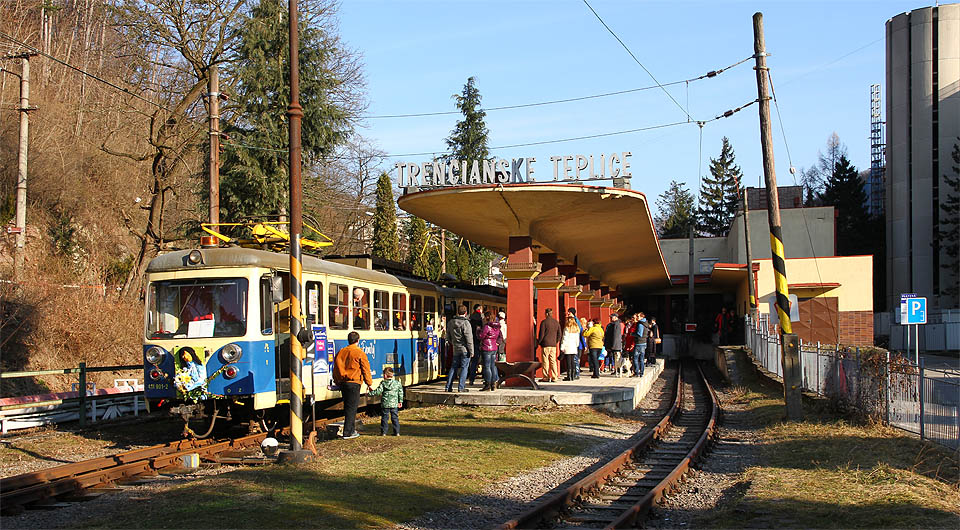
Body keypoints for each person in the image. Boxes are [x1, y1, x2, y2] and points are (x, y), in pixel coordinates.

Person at [333, 331, 372, 439]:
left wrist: (337, 381)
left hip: (343, 383)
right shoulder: (359, 352)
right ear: (358, 340)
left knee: (348, 407)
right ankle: (348, 432)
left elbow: (336, 368)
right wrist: (369, 383)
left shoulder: (342, 352)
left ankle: (350, 430)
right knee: (352, 408)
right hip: (354, 382)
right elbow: (365, 368)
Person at [444, 305, 474, 393]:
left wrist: (453, 343)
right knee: (464, 367)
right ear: (466, 313)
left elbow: (448, 336)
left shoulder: (451, 322)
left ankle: (448, 387)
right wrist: (471, 351)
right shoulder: (466, 323)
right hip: (465, 349)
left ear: (458, 312)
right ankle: (461, 387)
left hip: (455, 348)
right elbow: (469, 338)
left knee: (453, 367)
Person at [369, 366, 403, 436]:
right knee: (395, 418)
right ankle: (397, 432)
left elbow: (378, 391)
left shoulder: (383, 383)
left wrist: (370, 393)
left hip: (385, 404)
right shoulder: (397, 383)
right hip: (394, 404)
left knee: (384, 418)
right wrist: (400, 401)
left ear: (385, 375)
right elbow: (400, 392)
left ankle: (384, 432)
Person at [477, 311, 501, 391]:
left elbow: (481, 336)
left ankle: (487, 384)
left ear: (487, 317)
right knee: (493, 366)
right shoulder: (497, 326)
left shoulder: (487, 326)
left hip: (486, 347)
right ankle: (494, 384)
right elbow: (499, 336)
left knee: (487, 366)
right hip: (494, 347)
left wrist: (478, 331)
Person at [537, 308, 562, 382]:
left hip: (545, 344)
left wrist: (539, 342)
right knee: (553, 361)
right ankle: (555, 376)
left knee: (545, 361)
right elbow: (559, 334)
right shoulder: (556, 322)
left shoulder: (544, 322)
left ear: (546, 314)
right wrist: (556, 341)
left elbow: (541, 334)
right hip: (553, 345)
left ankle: (546, 377)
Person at [561, 314, 581, 381]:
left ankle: (569, 376)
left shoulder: (567, 328)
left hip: (568, 346)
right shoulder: (576, 329)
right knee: (573, 361)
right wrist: (576, 345)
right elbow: (577, 339)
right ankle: (573, 375)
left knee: (568, 362)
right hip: (574, 347)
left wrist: (562, 347)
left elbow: (564, 338)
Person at [468, 304, 484, 385]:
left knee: (472, 361)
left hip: (470, 341)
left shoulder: (470, 317)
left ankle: (471, 378)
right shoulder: (480, 318)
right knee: (484, 361)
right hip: (478, 341)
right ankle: (485, 378)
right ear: (479, 309)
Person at [632, 312, 651, 378]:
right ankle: (642, 372)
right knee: (642, 359)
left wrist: (632, 334)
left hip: (639, 343)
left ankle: (637, 372)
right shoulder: (646, 323)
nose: (637, 317)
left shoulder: (640, 324)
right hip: (644, 342)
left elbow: (639, 334)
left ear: (642, 317)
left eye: (638, 316)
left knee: (635, 358)